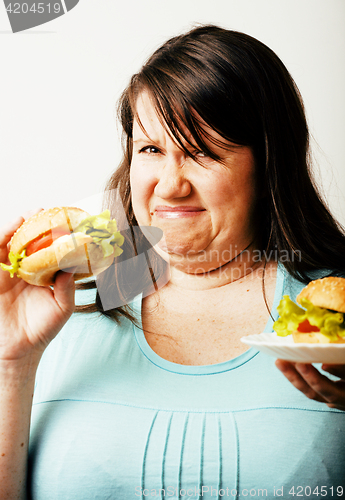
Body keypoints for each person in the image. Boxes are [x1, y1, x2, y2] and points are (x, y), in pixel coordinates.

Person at [1, 24, 345, 499]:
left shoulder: (331, 319)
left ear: (269, 163)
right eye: (150, 149)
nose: (168, 186)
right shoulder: (60, 308)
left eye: (202, 152)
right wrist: (11, 361)